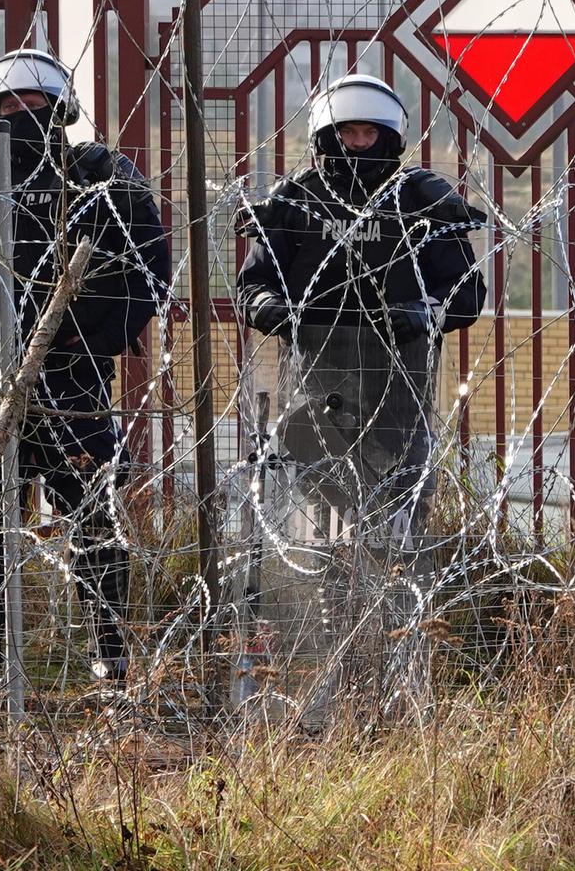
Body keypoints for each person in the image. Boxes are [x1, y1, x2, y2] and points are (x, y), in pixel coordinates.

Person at [0, 48, 170, 684]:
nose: (22, 115)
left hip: (76, 377)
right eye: (8, 106)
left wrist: (92, 339)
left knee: (92, 514)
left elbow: (149, 273)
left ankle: (111, 648)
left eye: (36, 104)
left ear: (62, 111)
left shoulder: (99, 175)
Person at [234, 73, 486, 721]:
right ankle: (344, 672)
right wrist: (269, 307)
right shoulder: (296, 200)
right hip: (318, 388)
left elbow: (468, 292)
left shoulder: (420, 197)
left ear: (390, 137)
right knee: (331, 542)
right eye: (345, 132)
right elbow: (254, 281)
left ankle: (395, 679)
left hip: (399, 390)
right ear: (325, 136)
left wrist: (422, 313)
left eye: (367, 132)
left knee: (392, 539)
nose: (355, 143)